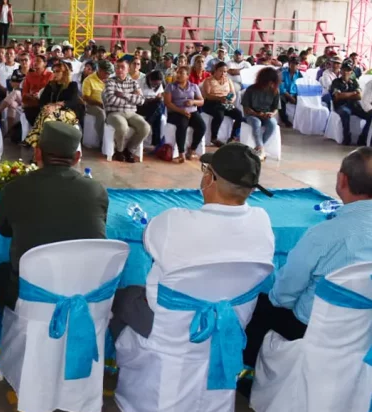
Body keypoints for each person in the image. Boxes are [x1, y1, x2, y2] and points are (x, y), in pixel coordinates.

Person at [110, 143, 274, 345]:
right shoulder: (262, 221)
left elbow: (148, 240)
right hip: (229, 325)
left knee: (122, 297)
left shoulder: (173, 221)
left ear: (210, 178)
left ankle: (118, 361)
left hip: (168, 331)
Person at [242, 147, 372, 389]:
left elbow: (285, 293)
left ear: (342, 180)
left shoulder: (325, 234)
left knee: (259, 306)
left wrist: (279, 301)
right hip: (365, 327)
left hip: (316, 326)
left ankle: (247, 376)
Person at [0, 121, 107, 309]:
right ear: (77, 157)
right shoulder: (96, 190)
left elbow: (2, 229)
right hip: (83, 292)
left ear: (37, 153)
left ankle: (16, 330)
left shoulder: (16, 189)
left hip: (32, 297)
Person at [24, 61, 82, 149]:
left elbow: (73, 101)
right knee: (45, 115)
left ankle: (39, 146)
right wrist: (47, 106)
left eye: (58, 71)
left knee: (46, 118)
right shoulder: (51, 85)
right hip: (50, 110)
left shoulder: (72, 85)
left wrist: (57, 105)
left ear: (65, 72)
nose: (55, 73)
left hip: (67, 112)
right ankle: (41, 150)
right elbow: (42, 101)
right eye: (54, 71)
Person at [104, 58, 150, 163]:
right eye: (117, 67)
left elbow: (141, 100)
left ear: (128, 69)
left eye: (122, 67)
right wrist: (131, 99)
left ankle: (129, 150)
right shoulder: (110, 82)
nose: (119, 70)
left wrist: (123, 95)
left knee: (145, 127)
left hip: (131, 113)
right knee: (122, 126)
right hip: (114, 113)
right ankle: (119, 151)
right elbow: (111, 100)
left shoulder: (133, 83)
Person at [164, 65, 206, 162]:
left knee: (201, 126)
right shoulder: (170, 86)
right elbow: (168, 103)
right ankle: (181, 153)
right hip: (176, 112)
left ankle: (192, 150)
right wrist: (181, 111)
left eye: (181, 73)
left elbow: (201, 101)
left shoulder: (194, 86)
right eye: (177, 73)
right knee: (182, 125)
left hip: (192, 111)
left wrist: (193, 102)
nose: (178, 75)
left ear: (187, 76)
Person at [242, 67, 280, 160]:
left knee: (273, 124)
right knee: (256, 123)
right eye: (269, 82)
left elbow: (276, 108)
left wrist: (272, 113)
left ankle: (259, 147)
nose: (271, 84)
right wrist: (258, 114)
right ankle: (261, 148)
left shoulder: (275, 90)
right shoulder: (251, 89)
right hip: (252, 115)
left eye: (273, 82)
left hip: (266, 115)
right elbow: (246, 109)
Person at [330, 61, 372, 146]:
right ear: (341, 71)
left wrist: (344, 95)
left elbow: (359, 96)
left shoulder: (354, 82)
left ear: (351, 72)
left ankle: (363, 137)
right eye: (344, 70)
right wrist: (353, 94)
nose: (346, 72)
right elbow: (338, 96)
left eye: (348, 70)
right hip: (341, 105)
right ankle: (346, 137)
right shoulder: (336, 82)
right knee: (345, 113)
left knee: (370, 115)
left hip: (355, 106)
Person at [201, 61, 242, 146]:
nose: (223, 73)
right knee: (219, 114)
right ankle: (214, 138)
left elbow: (233, 93)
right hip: (211, 102)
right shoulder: (209, 80)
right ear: (215, 70)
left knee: (238, 114)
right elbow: (207, 95)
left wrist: (230, 100)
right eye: (220, 71)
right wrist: (220, 98)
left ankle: (233, 137)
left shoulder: (228, 80)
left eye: (225, 71)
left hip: (225, 102)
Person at [81, 60, 111, 146]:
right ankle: (103, 140)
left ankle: (114, 140)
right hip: (92, 106)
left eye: (109, 73)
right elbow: (86, 98)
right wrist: (99, 104)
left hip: (107, 105)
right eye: (107, 73)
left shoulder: (109, 80)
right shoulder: (89, 80)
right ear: (100, 70)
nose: (108, 75)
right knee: (101, 113)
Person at [138, 70, 165, 148]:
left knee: (158, 109)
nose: (155, 85)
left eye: (157, 84)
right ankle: (156, 143)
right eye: (154, 83)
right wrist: (151, 100)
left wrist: (159, 97)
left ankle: (147, 122)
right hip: (141, 106)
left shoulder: (159, 84)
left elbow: (161, 94)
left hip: (153, 107)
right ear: (149, 79)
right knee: (158, 110)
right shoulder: (140, 83)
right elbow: (138, 100)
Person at [22, 54, 53, 124]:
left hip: (45, 103)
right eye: (34, 61)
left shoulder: (50, 75)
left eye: (38, 61)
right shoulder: (29, 75)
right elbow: (24, 92)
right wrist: (30, 95)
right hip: (32, 103)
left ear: (45, 64)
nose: (35, 63)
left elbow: (50, 91)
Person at [279, 57, 302, 128]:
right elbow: (282, 88)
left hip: (295, 94)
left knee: (303, 100)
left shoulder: (300, 75)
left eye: (297, 64)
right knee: (280, 99)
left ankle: (300, 120)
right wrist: (290, 97)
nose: (295, 66)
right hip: (285, 93)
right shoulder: (283, 73)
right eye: (293, 64)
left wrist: (296, 96)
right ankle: (285, 120)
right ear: (289, 64)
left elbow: (301, 87)